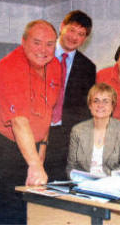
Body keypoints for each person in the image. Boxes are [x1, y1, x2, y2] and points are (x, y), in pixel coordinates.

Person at [0, 20, 61, 224]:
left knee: (34, 201)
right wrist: (34, 164)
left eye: (50, 44)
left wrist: (42, 147)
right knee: (13, 199)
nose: (43, 50)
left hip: (32, 140)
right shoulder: (11, 67)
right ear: (23, 41)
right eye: (37, 42)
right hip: (4, 141)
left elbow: (47, 110)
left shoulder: (54, 66)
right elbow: (19, 122)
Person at [45, 10, 96, 181]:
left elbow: (85, 109)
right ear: (62, 27)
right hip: (37, 130)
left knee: (60, 187)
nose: (74, 37)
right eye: (72, 30)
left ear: (85, 39)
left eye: (81, 34)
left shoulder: (88, 67)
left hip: (65, 137)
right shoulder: (42, 54)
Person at [66, 83, 120, 177]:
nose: (100, 105)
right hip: (84, 185)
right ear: (90, 105)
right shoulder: (78, 131)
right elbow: (71, 167)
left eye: (105, 101)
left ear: (112, 106)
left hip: (112, 186)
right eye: (96, 101)